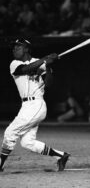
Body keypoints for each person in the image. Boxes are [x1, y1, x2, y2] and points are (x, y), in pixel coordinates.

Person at [0, 38, 70, 172]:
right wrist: (45, 59)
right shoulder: (14, 64)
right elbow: (26, 69)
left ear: (26, 49)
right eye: (14, 47)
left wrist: (48, 67)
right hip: (26, 106)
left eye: (18, 47)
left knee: (10, 132)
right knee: (27, 143)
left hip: (36, 104)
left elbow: (49, 83)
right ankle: (61, 156)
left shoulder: (40, 62)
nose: (14, 49)